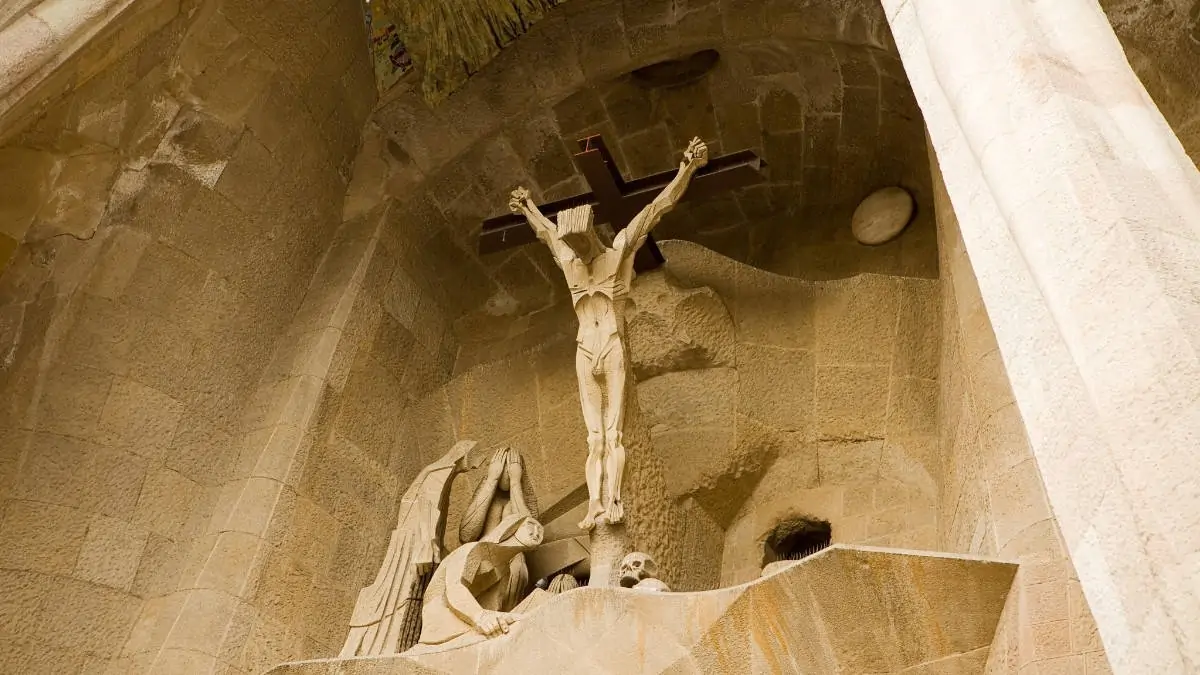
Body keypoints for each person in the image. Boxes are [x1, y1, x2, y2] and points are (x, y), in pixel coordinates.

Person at [509, 137, 709, 530]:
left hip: (613, 346)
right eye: (574, 246)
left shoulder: (618, 251)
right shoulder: (570, 264)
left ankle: (614, 500)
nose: (577, 250)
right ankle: (595, 504)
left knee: (613, 434)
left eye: (580, 243)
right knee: (594, 438)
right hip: (586, 350)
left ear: (591, 236)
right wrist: (527, 207)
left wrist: (687, 169)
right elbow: (548, 234)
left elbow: (655, 210)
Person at [413, 514, 545, 651]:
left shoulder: (505, 571)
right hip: (440, 614)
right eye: (530, 525)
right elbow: (454, 587)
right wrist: (480, 617)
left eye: (540, 531)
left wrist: (495, 620)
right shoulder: (475, 550)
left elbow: (492, 610)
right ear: (512, 527)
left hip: (469, 620)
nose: (536, 533)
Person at [458, 446, 538, 611]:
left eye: (512, 465)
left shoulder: (518, 498)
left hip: (512, 567)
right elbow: (466, 535)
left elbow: (531, 533)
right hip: (482, 564)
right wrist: (491, 480)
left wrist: (516, 483)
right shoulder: (488, 493)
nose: (506, 470)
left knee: (517, 562)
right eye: (503, 464)